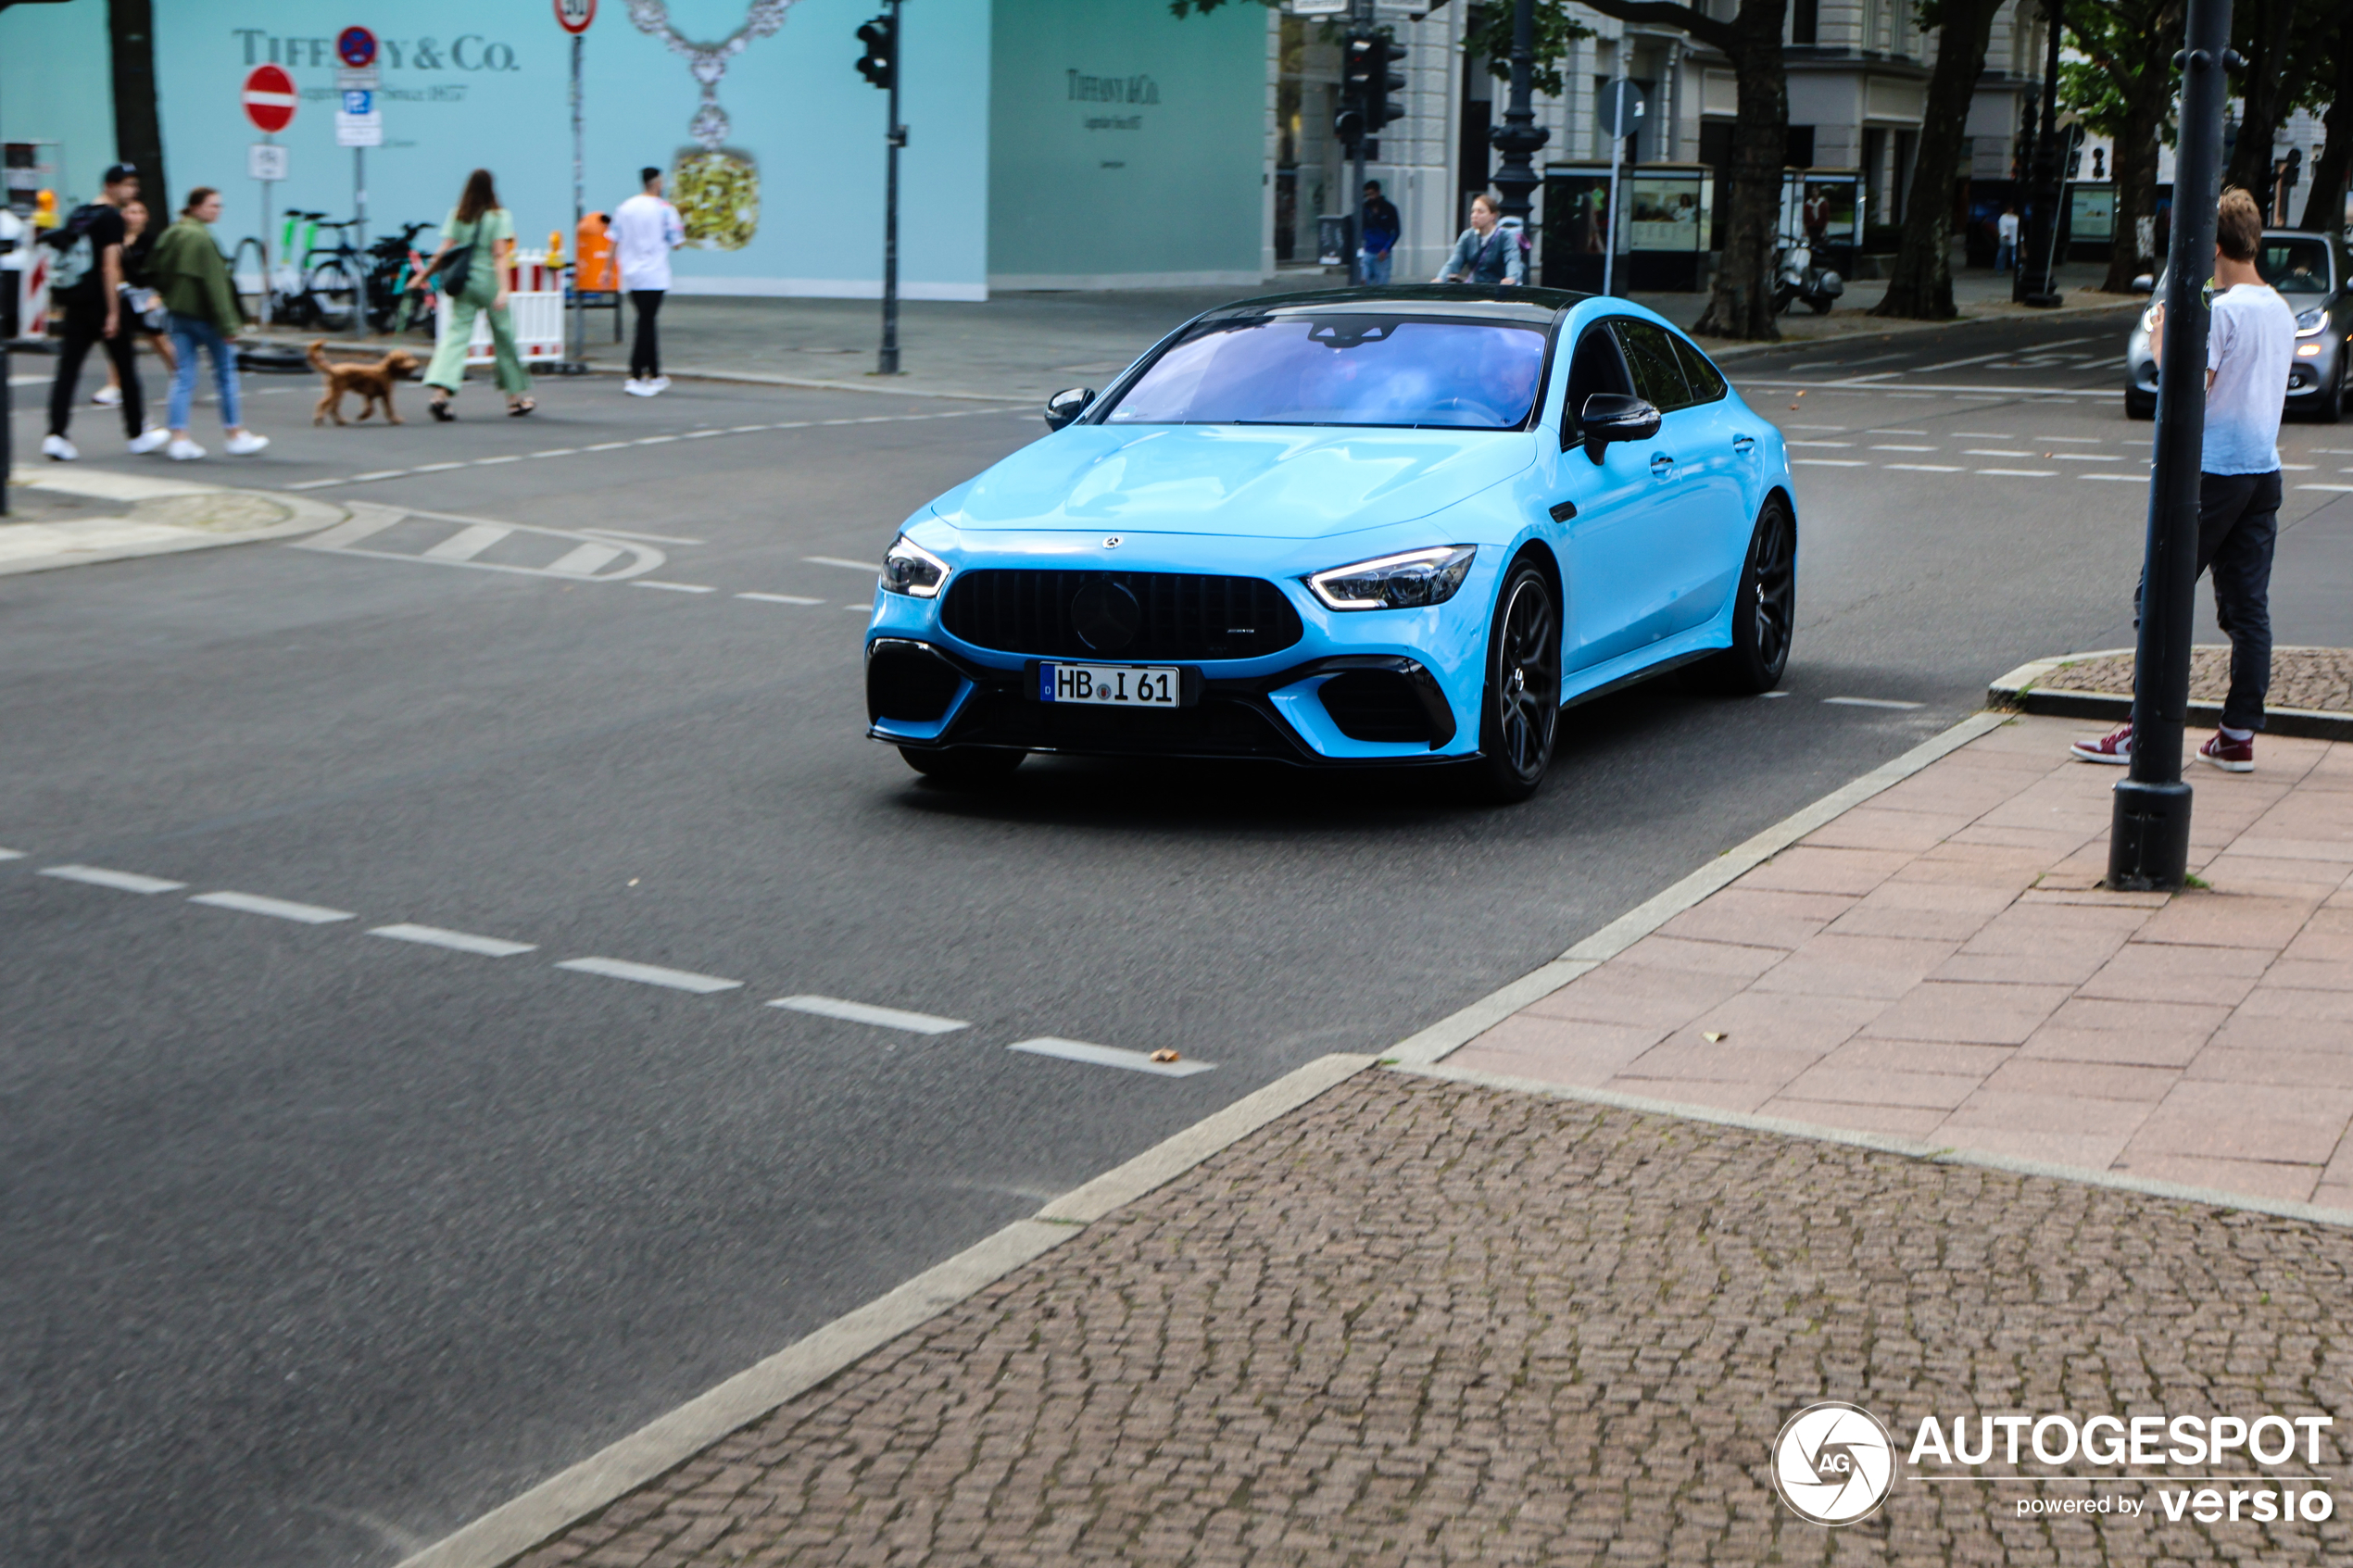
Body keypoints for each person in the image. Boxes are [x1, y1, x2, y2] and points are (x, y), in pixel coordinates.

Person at [2071, 188, 2294, 772]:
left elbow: (2186, 386)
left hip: (2211, 473)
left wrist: (2160, 325)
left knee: (2159, 596)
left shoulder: (2224, 313)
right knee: (2247, 608)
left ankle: (2144, 729)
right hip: (2262, 472)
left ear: (2212, 247)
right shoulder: (2278, 308)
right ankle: (2238, 732)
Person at [44, 163, 169, 461]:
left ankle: (56, 435)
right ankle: (137, 434)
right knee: (125, 367)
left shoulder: (81, 213)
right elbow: (109, 266)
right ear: (112, 186)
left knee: (67, 371)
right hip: (102, 303)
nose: (133, 191)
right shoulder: (112, 218)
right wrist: (113, 312)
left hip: (76, 303)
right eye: (128, 185)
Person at [145, 185, 269, 460]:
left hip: (178, 313)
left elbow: (154, 269)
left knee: (183, 375)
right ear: (196, 207)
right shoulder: (202, 239)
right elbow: (216, 286)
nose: (218, 210)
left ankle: (179, 437)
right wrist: (228, 325)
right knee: (225, 374)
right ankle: (235, 434)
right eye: (213, 205)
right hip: (206, 317)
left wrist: (167, 295)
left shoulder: (173, 233)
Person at [416, 168, 535, 420]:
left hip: (464, 283)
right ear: (492, 187)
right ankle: (515, 399)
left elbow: (443, 250)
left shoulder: (458, 215)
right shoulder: (499, 216)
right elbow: (500, 254)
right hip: (488, 282)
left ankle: (440, 394)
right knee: (504, 338)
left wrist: (422, 277)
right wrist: (504, 289)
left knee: (456, 336)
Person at [94, 196, 177, 408]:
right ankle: (114, 385)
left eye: (140, 212)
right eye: (131, 212)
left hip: (147, 294)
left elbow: (163, 270)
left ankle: (179, 376)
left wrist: (158, 295)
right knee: (120, 339)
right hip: (126, 294)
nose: (135, 217)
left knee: (158, 339)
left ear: (146, 217)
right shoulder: (117, 240)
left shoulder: (152, 241)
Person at [612, 165, 685, 395]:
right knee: (646, 321)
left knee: (646, 320)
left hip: (632, 273)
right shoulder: (665, 209)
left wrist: (606, 270)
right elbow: (677, 242)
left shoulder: (625, 207)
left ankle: (654, 372)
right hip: (655, 273)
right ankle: (636, 373)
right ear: (656, 183)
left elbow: (613, 238)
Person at [1434, 193, 1522, 285]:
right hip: (1476, 289)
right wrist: (1440, 279)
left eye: (1480, 212)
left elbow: (1512, 260)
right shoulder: (1468, 236)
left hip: (1498, 289)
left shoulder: (1505, 237)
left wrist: (1511, 278)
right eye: (1473, 211)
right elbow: (1454, 261)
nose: (1474, 215)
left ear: (1493, 216)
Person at [1357, 180, 1401, 287]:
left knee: (1381, 287)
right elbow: (1359, 229)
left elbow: (1396, 231)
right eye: (1367, 195)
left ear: (1378, 192)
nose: (1370, 197)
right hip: (1368, 252)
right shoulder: (1364, 209)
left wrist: (1386, 249)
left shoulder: (1389, 208)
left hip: (1382, 255)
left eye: (1372, 194)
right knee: (1363, 283)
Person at [1995, 204, 2020, 271]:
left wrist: (2021, 238)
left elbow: (2018, 229)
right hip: (2005, 240)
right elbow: (2001, 227)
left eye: (2012, 208)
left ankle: (2017, 268)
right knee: (2002, 255)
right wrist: (2005, 234)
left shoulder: (2016, 218)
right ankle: (1999, 269)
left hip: (2014, 239)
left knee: (2014, 255)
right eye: (2009, 208)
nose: (2011, 210)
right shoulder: (2003, 217)